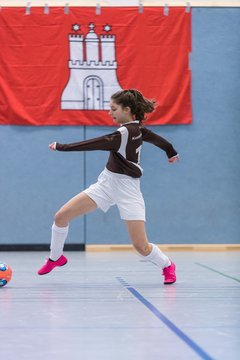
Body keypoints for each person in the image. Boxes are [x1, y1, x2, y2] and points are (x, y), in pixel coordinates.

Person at [38, 89, 179, 284]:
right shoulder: (138, 128)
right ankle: (56, 258)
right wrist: (170, 152)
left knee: (141, 246)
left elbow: (95, 143)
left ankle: (167, 265)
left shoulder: (124, 132)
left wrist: (63, 147)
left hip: (128, 190)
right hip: (106, 184)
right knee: (61, 216)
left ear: (127, 109)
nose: (109, 112)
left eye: (113, 109)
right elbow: (160, 141)